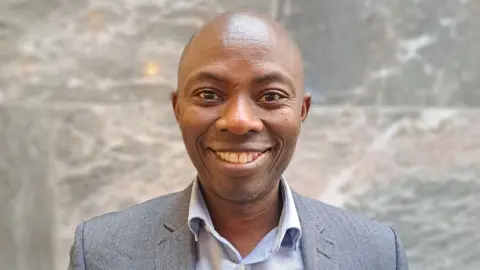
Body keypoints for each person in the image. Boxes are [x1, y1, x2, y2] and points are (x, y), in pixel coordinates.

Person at [68, 11, 409, 270]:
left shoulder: (376, 253)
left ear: (301, 111)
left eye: (271, 95)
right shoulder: (100, 252)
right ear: (178, 109)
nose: (239, 121)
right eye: (208, 94)